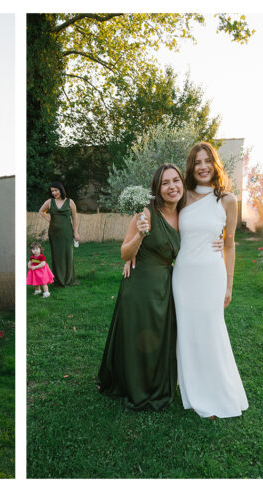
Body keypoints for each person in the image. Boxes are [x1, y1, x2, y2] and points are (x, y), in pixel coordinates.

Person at [97, 164, 184, 411]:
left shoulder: (185, 215)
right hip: (139, 283)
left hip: (166, 285)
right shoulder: (145, 212)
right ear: (157, 188)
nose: (171, 187)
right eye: (165, 182)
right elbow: (125, 252)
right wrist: (140, 236)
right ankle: (135, 385)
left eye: (176, 180)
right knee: (137, 336)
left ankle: (157, 382)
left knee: (159, 337)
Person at [173, 142, 248, 419]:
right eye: (197, 162)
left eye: (207, 161)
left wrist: (229, 283)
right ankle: (192, 391)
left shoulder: (228, 200)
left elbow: (229, 244)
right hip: (183, 276)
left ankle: (217, 393)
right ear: (191, 167)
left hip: (211, 275)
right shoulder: (182, 197)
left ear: (215, 164)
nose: (202, 166)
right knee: (188, 332)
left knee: (211, 331)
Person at [37, 181, 79, 287]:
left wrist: (76, 232)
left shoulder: (70, 202)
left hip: (67, 232)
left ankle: (68, 279)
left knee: (68, 255)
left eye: (56, 190)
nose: (54, 193)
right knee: (56, 256)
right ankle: (59, 280)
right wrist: (50, 220)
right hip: (54, 233)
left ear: (61, 189)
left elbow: (74, 218)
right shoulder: (50, 202)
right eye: (52, 191)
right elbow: (41, 211)